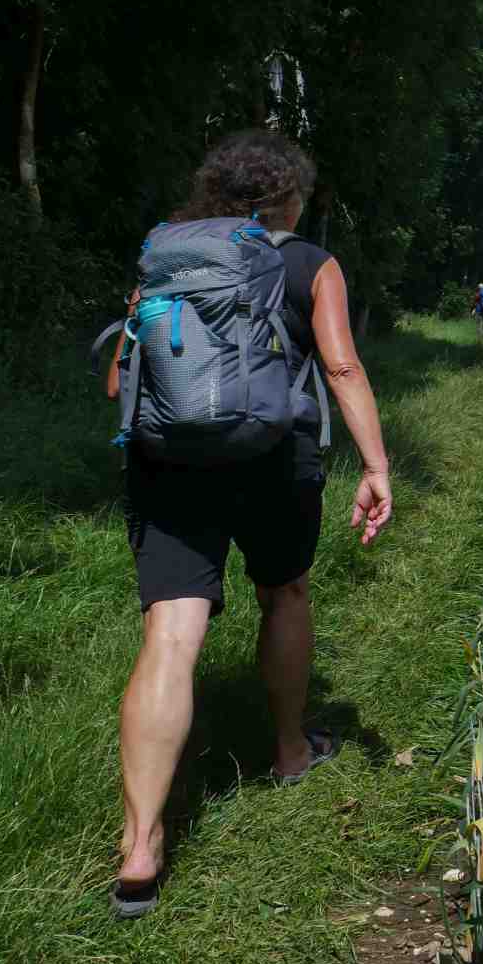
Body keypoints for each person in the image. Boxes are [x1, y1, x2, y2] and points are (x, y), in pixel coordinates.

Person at [102, 129, 392, 918]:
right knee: (284, 593)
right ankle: (291, 751)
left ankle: (140, 846)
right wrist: (375, 466)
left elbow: (120, 380)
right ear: (290, 196)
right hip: (275, 458)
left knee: (170, 634)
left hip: (168, 462)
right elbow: (340, 366)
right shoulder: (310, 263)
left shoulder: (167, 255)